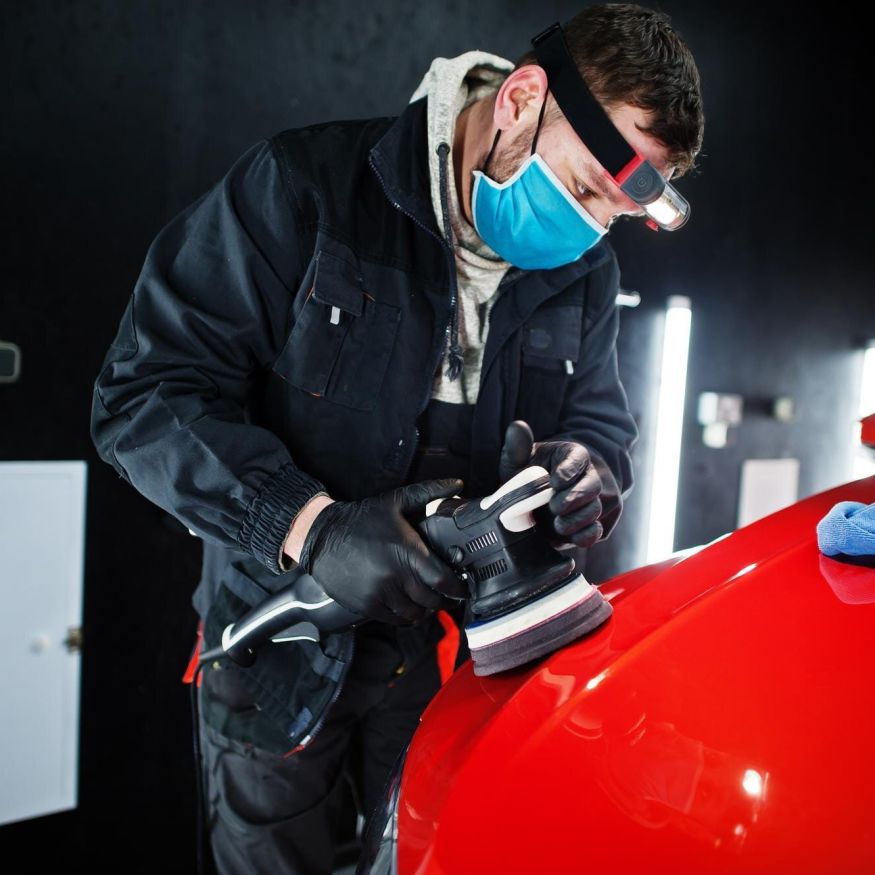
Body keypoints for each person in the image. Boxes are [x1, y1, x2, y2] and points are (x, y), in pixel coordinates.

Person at [89, 4, 703, 873]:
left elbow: (598, 421)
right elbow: (144, 398)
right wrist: (310, 527)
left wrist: (589, 470)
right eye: (577, 191)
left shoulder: (584, 268)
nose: (586, 232)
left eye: (610, 214)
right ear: (522, 98)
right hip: (281, 651)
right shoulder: (303, 188)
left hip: (450, 668)